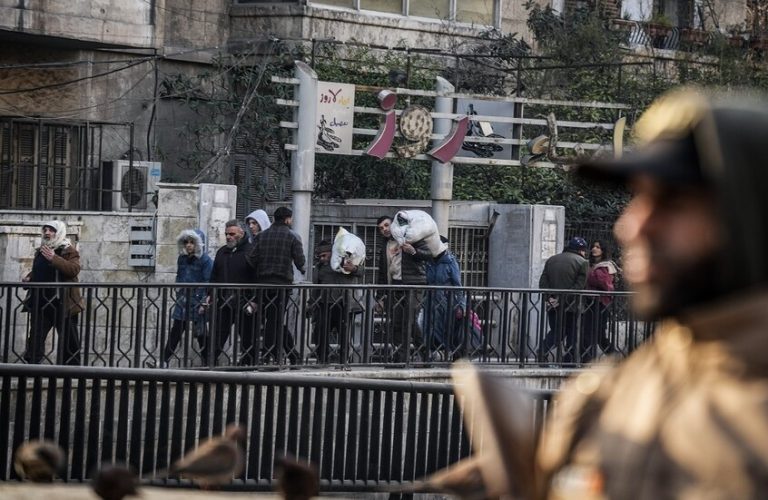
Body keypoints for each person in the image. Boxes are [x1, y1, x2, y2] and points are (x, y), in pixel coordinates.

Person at [536, 88, 768, 498]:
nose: (631, 227)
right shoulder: (609, 393)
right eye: (638, 197)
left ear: (751, 216)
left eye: (672, 202)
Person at [246, 206, 306, 364]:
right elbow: (300, 261)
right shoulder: (293, 237)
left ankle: (288, 355)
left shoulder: (262, 236)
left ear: (274, 218)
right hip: (282, 285)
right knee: (275, 320)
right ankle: (271, 354)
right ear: (287, 219)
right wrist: (301, 269)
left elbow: (251, 258)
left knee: (272, 320)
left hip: (262, 285)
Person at [21, 221, 84, 365]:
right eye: (45, 230)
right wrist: (30, 278)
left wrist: (54, 258)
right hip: (41, 302)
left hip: (63, 303)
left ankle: (71, 371)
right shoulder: (42, 250)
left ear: (59, 232)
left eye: (51, 230)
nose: (47, 233)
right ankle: (32, 368)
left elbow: (73, 270)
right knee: (35, 339)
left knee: (69, 339)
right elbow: (41, 270)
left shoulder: (68, 250)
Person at [375, 215, 430, 363]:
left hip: (414, 285)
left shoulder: (411, 236)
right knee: (397, 323)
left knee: (410, 321)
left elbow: (428, 254)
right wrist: (380, 297)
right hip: (395, 286)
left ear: (393, 224)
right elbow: (382, 273)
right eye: (381, 228)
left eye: (386, 225)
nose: (384, 229)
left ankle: (424, 354)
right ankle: (400, 358)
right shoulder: (385, 245)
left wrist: (413, 251)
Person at [205, 220, 257, 366]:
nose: (228, 237)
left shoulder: (251, 251)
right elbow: (214, 276)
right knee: (217, 336)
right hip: (224, 301)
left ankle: (248, 365)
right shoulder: (222, 252)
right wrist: (210, 294)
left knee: (247, 337)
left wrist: (255, 300)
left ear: (241, 233)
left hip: (245, 301)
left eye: (232, 234)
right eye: (227, 234)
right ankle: (209, 364)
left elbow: (257, 276)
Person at [161, 229, 213, 367]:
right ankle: (164, 360)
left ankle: (208, 363)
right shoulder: (182, 259)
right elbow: (179, 276)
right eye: (186, 242)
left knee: (201, 333)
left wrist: (203, 301)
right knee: (176, 330)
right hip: (183, 300)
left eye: (192, 242)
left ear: (198, 243)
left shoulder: (205, 260)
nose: (189, 245)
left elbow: (208, 282)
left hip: (198, 300)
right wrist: (179, 293)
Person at [308, 239, 363, 364]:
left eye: (324, 255)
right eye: (319, 256)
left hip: (343, 304)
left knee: (344, 334)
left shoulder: (344, 262)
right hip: (324, 304)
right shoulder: (320, 267)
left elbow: (361, 271)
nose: (322, 259)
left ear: (331, 252)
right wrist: (311, 303)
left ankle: (343, 361)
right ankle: (322, 360)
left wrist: (353, 268)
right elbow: (315, 287)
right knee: (320, 333)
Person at [537, 236, 588, 363]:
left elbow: (543, 282)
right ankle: (568, 361)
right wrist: (562, 299)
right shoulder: (583, 262)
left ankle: (542, 352)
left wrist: (550, 298)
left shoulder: (552, 260)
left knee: (556, 332)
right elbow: (579, 286)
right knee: (572, 334)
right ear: (581, 250)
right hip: (572, 306)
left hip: (552, 305)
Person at [423, 236, 466, 360]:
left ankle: (453, 356)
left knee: (448, 330)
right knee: (428, 329)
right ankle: (428, 356)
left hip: (447, 302)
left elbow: (458, 285)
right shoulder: (429, 261)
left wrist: (461, 305)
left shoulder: (450, 261)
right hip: (430, 301)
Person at [580, 240, 620, 362]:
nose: (594, 249)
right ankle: (587, 359)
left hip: (600, 303)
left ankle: (614, 357)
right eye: (593, 246)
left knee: (597, 334)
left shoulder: (605, 266)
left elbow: (605, 284)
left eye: (598, 247)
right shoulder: (591, 264)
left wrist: (592, 276)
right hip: (590, 302)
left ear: (603, 250)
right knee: (589, 333)